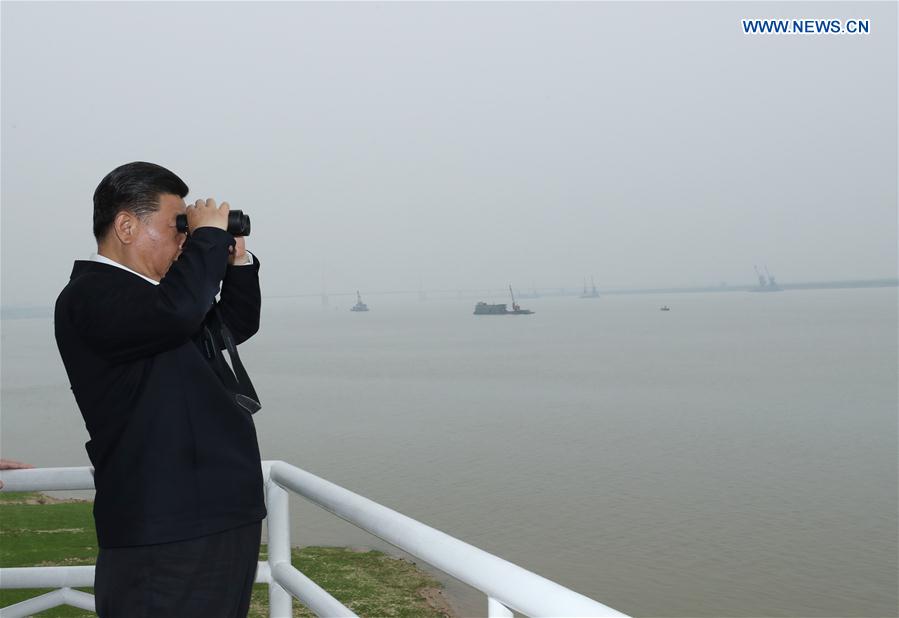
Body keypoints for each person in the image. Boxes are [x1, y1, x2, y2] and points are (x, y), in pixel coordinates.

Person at [54, 162, 266, 617]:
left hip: (218, 517)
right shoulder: (90, 295)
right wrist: (207, 241)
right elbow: (178, 313)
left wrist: (236, 260)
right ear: (126, 226)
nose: (184, 240)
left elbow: (234, 325)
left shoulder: (161, 301)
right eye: (178, 227)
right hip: (165, 530)